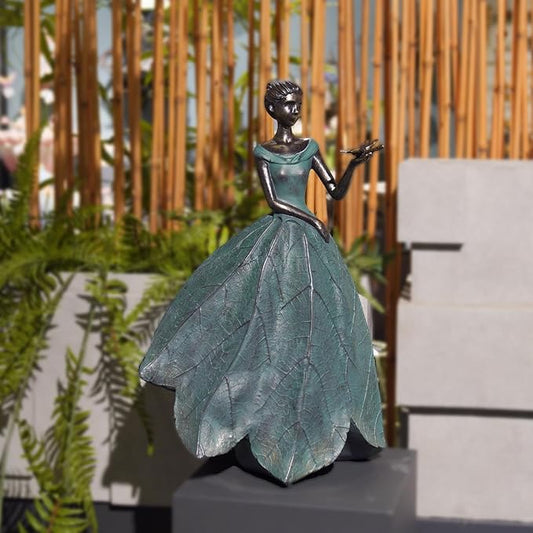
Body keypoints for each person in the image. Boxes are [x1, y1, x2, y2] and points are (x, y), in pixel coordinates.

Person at [139, 80, 385, 485]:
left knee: (320, 321)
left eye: (298, 104)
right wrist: (311, 219)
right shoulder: (263, 152)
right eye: (288, 105)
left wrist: (355, 165)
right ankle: (241, 408)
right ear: (272, 109)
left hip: (312, 244)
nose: (295, 111)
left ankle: (313, 421)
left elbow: (335, 191)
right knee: (260, 316)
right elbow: (275, 201)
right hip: (281, 237)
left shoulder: (310, 148)